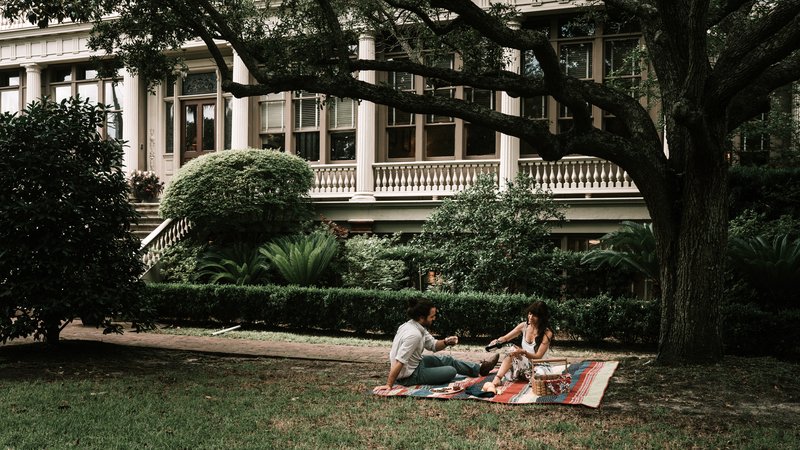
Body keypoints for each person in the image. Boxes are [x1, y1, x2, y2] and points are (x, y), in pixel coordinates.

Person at [375, 298, 500, 390]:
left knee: (448, 359)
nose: (434, 318)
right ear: (421, 317)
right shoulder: (414, 334)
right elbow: (399, 361)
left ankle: (480, 369)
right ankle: (471, 370)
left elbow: (433, 345)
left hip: (417, 364)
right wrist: (389, 384)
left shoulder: (415, 326)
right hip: (410, 376)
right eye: (432, 316)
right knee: (451, 370)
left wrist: (446, 342)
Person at [482, 301, 554, 393]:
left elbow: (539, 356)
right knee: (512, 350)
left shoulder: (547, 333)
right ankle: (497, 378)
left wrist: (522, 352)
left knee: (539, 379)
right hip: (526, 365)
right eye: (530, 313)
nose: (530, 317)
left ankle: (530, 378)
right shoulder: (523, 326)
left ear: (542, 318)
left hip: (540, 365)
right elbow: (506, 338)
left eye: (534, 315)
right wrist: (497, 341)